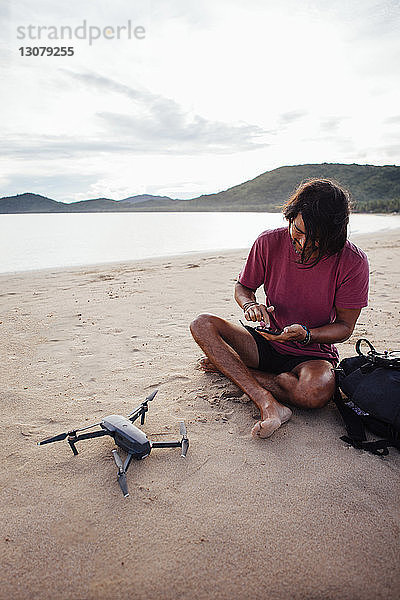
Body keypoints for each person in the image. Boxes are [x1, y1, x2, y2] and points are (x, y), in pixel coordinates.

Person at [190, 178, 369, 439]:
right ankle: (267, 401)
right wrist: (250, 305)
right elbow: (243, 286)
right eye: (298, 231)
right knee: (201, 324)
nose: (304, 243)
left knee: (315, 393)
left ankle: (231, 368)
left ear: (333, 235)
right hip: (267, 340)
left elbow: (344, 327)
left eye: (316, 238)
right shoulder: (268, 242)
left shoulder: (353, 261)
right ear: (290, 216)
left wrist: (307, 334)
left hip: (312, 352)